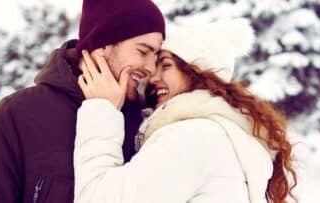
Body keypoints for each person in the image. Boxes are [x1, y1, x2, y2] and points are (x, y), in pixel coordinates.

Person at [0, 0, 165, 202]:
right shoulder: (18, 115)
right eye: (143, 51)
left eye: (155, 55)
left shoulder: (148, 124)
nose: (151, 67)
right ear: (102, 45)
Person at [74, 19, 297, 203]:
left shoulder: (192, 137)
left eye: (166, 65)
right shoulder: (216, 133)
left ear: (199, 74)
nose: (153, 76)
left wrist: (101, 109)